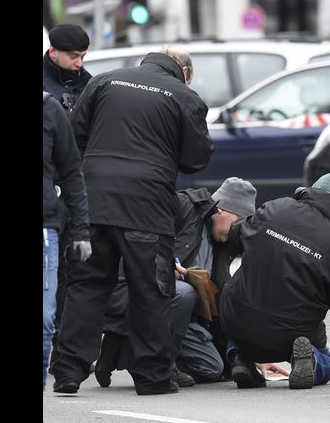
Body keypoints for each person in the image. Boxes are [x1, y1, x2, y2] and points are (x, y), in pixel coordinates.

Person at [52, 47, 214, 396]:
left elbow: (75, 133)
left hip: (93, 201)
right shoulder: (185, 96)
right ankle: (152, 378)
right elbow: (196, 159)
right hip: (147, 208)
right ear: (184, 72)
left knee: (86, 286)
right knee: (150, 291)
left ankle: (67, 372)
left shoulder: (104, 81)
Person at [93, 177, 258, 387]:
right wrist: (165, 262)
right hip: (146, 294)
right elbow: (138, 234)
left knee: (212, 369)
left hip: (184, 318)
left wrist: (252, 356)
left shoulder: (225, 244)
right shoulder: (184, 206)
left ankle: (125, 348)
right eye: (237, 222)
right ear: (220, 211)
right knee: (184, 292)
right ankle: (160, 365)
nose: (238, 230)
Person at [219, 171, 330, 390]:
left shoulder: (276, 208)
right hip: (294, 330)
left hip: (238, 317)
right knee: (327, 363)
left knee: (237, 299)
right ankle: (310, 360)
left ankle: (240, 357)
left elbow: (234, 237)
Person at [43, 23, 93, 376]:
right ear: (53, 51)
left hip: (73, 184)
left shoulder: (89, 83)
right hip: (50, 187)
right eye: (73, 56)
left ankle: (64, 344)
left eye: (82, 57)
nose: (78, 63)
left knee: (71, 271)